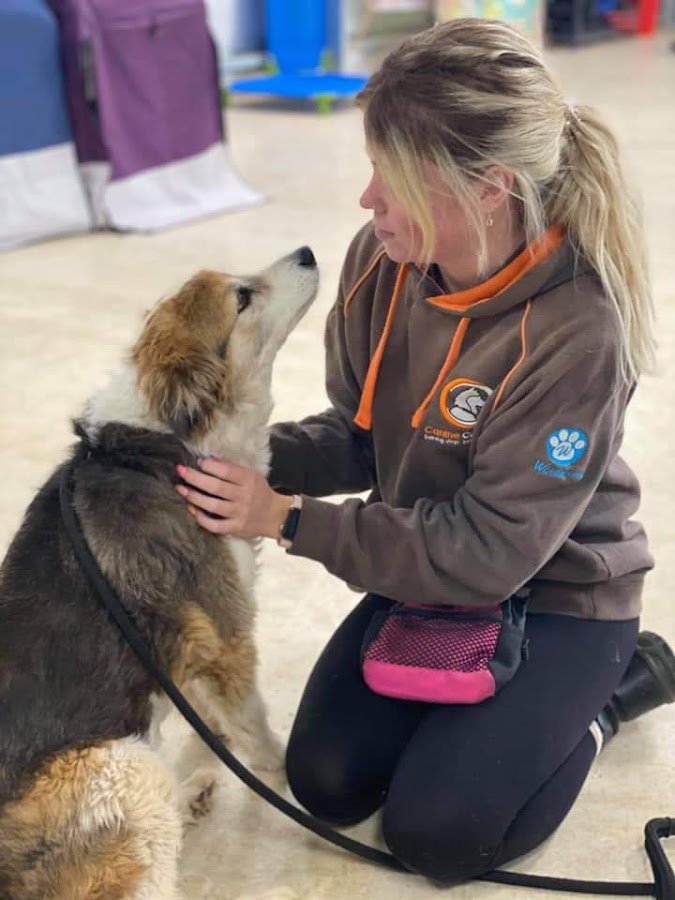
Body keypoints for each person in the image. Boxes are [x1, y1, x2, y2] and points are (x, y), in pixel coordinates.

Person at [175, 18, 675, 886]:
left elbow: (490, 551)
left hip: (557, 591)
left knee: (441, 835)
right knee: (327, 784)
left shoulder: (578, 328)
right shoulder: (383, 258)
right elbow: (359, 437)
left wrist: (287, 521)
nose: (367, 199)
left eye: (392, 177)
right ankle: (505, 718)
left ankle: (609, 696)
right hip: (427, 569)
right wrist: (238, 458)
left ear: (486, 189)